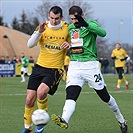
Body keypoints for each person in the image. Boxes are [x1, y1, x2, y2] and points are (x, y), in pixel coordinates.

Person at [51, 6, 128, 133]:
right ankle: (64, 119)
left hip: (90, 66)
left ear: (82, 15)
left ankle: (121, 119)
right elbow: (75, 43)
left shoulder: (91, 24)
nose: (74, 21)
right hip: (75, 65)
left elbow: (103, 33)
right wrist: (68, 46)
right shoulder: (70, 28)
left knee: (105, 97)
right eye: (72, 19)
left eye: (76, 18)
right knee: (71, 94)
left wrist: (85, 24)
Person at [21, 6, 70, 133]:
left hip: (55, 69)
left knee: (41, 92)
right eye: (52, 18)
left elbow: (75, 45)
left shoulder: (67, 28)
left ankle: (40, 125)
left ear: (62, 17)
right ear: (48, 16)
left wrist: (70, 45)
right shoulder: (42, 27)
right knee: (29, 99)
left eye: (57, 18)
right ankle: (27, 128)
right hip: (39, 67)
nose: (54, 21)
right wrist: (39, 32)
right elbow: (30, 44)